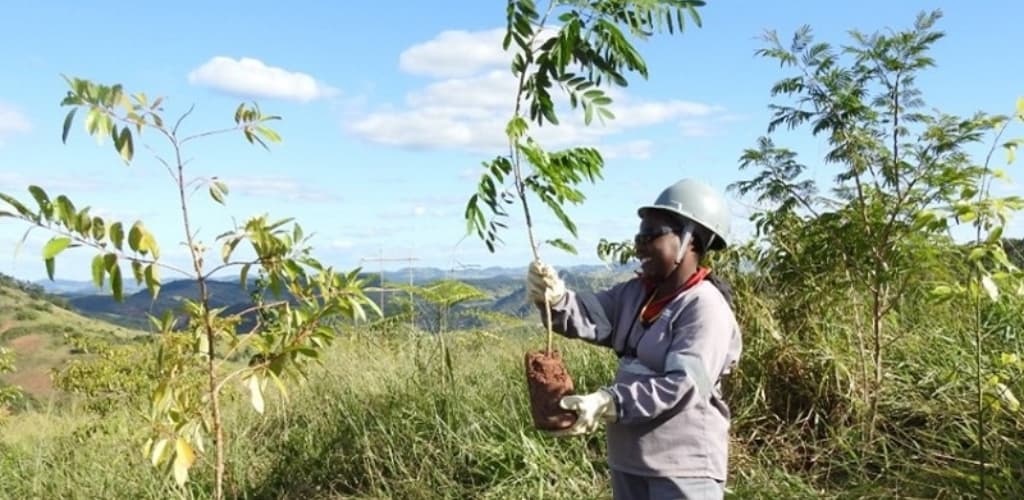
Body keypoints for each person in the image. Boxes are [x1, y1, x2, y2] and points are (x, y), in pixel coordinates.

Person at [526, 178, 742, 500]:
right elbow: (589, 316)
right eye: (638, 235)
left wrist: (610, 401)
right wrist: (555, 299)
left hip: (683, 470)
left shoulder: (704, 307)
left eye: (651, 235)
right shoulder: (636, 296)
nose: (639, 245)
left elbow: (683, 385)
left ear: (690, 241)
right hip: (630, 463)